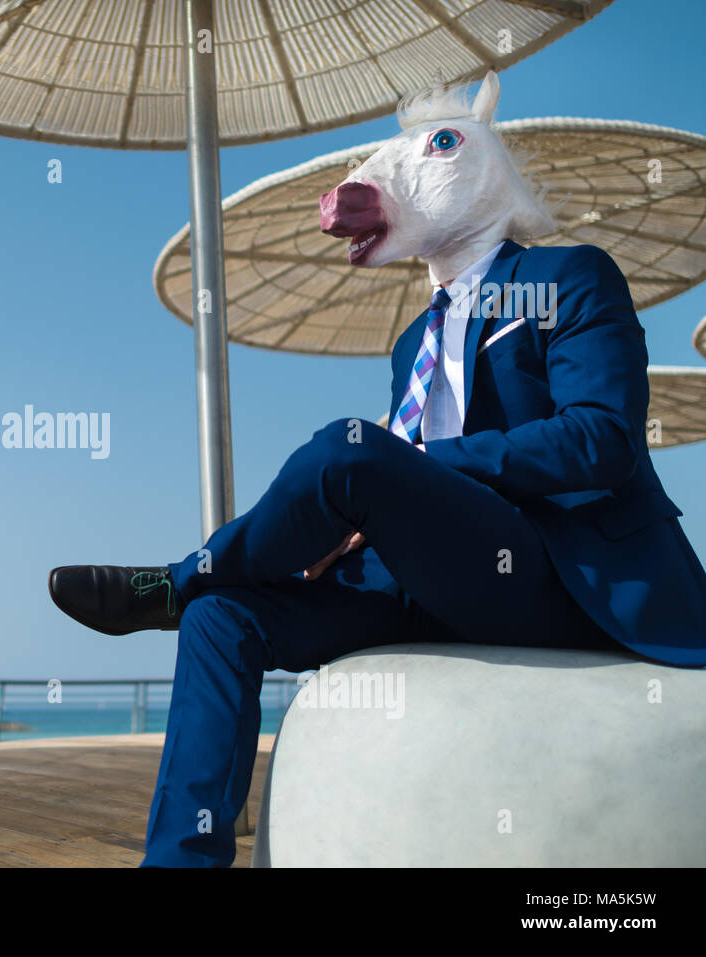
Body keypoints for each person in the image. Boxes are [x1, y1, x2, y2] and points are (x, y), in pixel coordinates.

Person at [47, 73, 706, 867]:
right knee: (222, 619)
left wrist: (419, 465)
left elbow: (600, 442)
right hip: (427, 583)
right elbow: (409, 487)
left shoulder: (566, 277)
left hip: (554, 575)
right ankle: (180, 858)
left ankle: (177, 576)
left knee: (349, 447)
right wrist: (355, 531)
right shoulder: (411, 345)